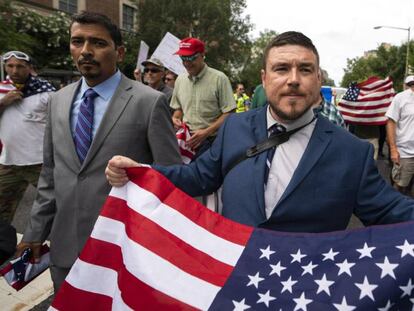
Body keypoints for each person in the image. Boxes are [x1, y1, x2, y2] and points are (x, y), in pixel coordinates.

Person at [106, 31, 414, 234]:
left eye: (305, 70)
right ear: (264, 79)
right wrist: (142, 172)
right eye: (282, 69)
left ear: (318, 79)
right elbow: (198, 177)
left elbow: (391, 211)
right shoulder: (235, 128)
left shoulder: (352, 152)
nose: (293, 79)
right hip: (234, 279)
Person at [17, 11, 181, 292]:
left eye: (98, 43)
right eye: (77, 41)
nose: (86, 51)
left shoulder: (149, 102)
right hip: (65, 248)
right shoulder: (58, 101)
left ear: (119, 52)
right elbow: (51, 173)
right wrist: (35, 231)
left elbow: (173, 176)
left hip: (123, 248)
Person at [0, 51, 55, 225]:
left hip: (39, 163)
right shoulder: (2, 90)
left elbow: (61, 122)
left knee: (58, 205)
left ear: (30, 68)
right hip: (8, 163)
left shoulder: (46, 92)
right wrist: (3, 102)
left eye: (20, 66)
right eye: (10, 66)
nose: (14, 70)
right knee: (2, 210)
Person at [170, 37, 236, 158]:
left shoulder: (219, 79)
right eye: (183, 58)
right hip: (186, 141)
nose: (186, 63)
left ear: (202, 55)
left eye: (190, 58)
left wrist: (206, 132)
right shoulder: (180, 80)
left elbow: (229, 112)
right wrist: (175, 118)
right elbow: (178, 108)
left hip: (212, 141)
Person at [385, 75, 414, 194]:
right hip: (406, 153)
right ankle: (394, 211)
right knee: (400, 188)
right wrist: (393, 149)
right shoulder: (401, 98)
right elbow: (391, 122)